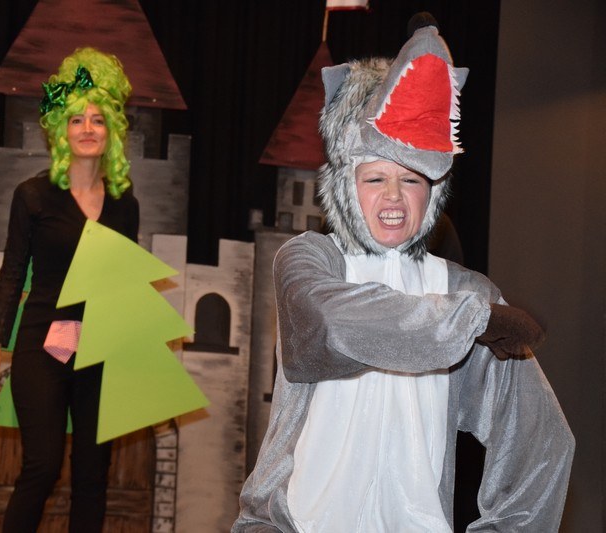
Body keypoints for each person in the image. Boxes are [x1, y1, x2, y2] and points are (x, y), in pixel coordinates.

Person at [233, 16, 574, 532]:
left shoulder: (464, 290)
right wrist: (472, 322)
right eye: (374, 178)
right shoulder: (308, 260)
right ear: (347, 186)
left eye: (411, 180)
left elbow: (543, 441)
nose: (393, 196)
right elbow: (332, 326)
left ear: (433, 193)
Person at [0, 47, 138, 532]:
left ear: (112, 130)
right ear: (60, 129)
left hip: (99, 349)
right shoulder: (33, 195)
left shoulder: (124, 203)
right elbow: (12, 272)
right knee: (42, 466)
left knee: (93, 475)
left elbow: (125, 282)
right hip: (44, 345)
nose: (87, 128)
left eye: (98, 119)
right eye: (76, 119)